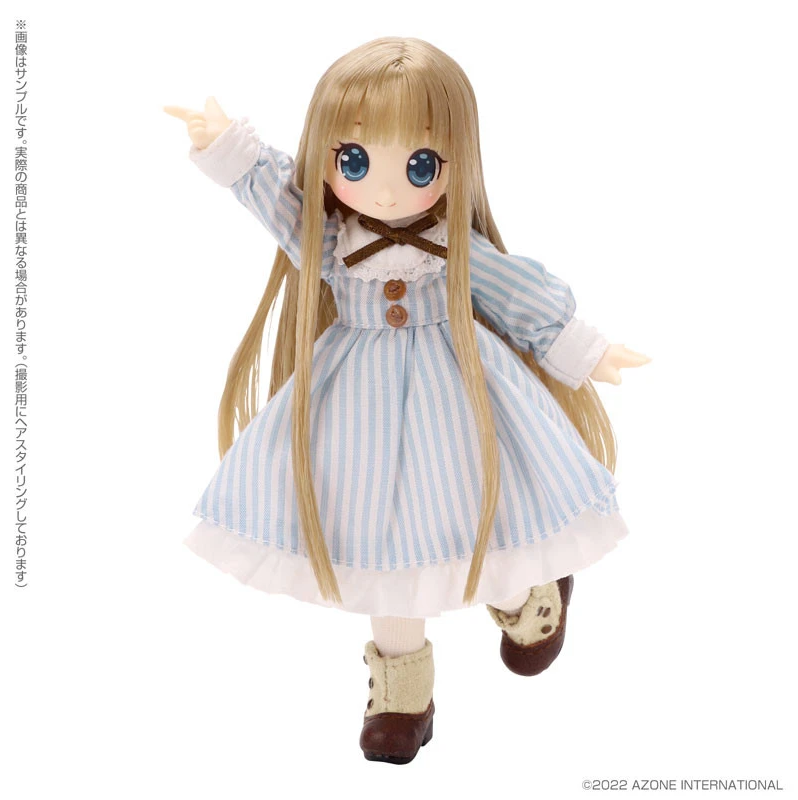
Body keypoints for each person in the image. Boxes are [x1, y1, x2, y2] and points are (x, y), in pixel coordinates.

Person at [165, 36, 650, 765]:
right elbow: (275, 200)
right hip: (353, 410)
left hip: (458, 398)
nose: (387, 192)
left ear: (455, 161)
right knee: (378, 542)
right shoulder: (327, 240)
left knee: (480, 508)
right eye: (355, 162)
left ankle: (530, 598)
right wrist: (229, 148)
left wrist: (586, 349)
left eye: (420, 165)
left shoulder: (454, 248)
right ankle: (402, 695)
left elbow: (516, 291)